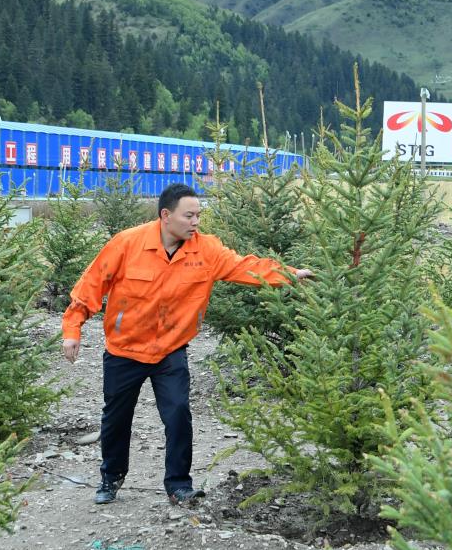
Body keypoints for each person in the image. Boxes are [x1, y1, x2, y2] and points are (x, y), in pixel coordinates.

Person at [61, 183, 311, 505]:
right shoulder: (127, 244)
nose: (196, 222)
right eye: (189, 215)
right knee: (116, 419)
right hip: (125, 350)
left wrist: (289, 274)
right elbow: (90, 286)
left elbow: (245, 266)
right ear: (166, 215)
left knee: (178, 413)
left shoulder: (206, 250)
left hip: (170, 350)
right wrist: (73, 329)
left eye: (198, 216)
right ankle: (111, 477)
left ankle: (179, 485)